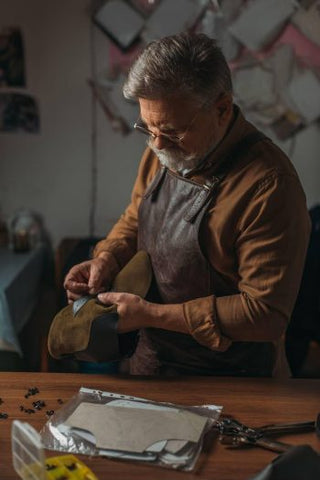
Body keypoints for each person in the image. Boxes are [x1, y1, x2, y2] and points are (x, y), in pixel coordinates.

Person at [64, 32, 310, 376]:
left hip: (233, 380)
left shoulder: (269, 186)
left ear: (221, 108)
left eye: (173, 131)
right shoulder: (164, 149)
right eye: (147, 128)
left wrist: (149, 314)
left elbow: (264, 315)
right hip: (152, 363)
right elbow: (136, 219)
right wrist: (107, 257)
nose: (158, 143)